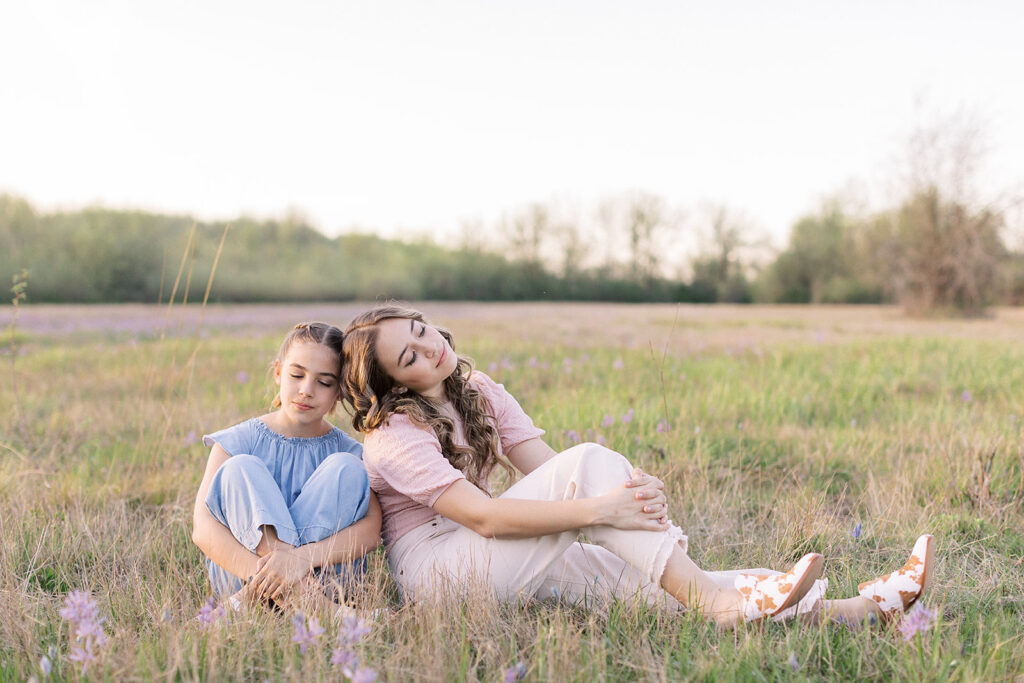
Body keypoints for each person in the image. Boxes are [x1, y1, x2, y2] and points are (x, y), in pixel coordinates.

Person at [339, 304, 934, 629]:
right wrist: (602, 503)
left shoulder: (480, 390)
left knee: (641, 589)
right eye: (408, 356)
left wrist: (627, 494)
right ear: (391, 385)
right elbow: (488, 518)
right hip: (444, 572)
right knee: (596, 470)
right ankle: (713, 601)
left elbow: (552, 467)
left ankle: (863, 609)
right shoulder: (392, 434)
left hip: (493, 549)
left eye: (420, 331)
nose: (428, 348)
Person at [192, 321, 382, 609]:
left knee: (347, 468)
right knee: (240, 468)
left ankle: (288, 602)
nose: (306, 390)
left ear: (339, 392)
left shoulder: (351, 453)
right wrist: (269, 576)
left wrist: (300, 561)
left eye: (324, 382)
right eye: (297, 375)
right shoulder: (237, 441)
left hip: (327, 581)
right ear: (278, 372)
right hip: (245, 578)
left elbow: (371, 531)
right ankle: (319, 611)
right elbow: (203, 530)